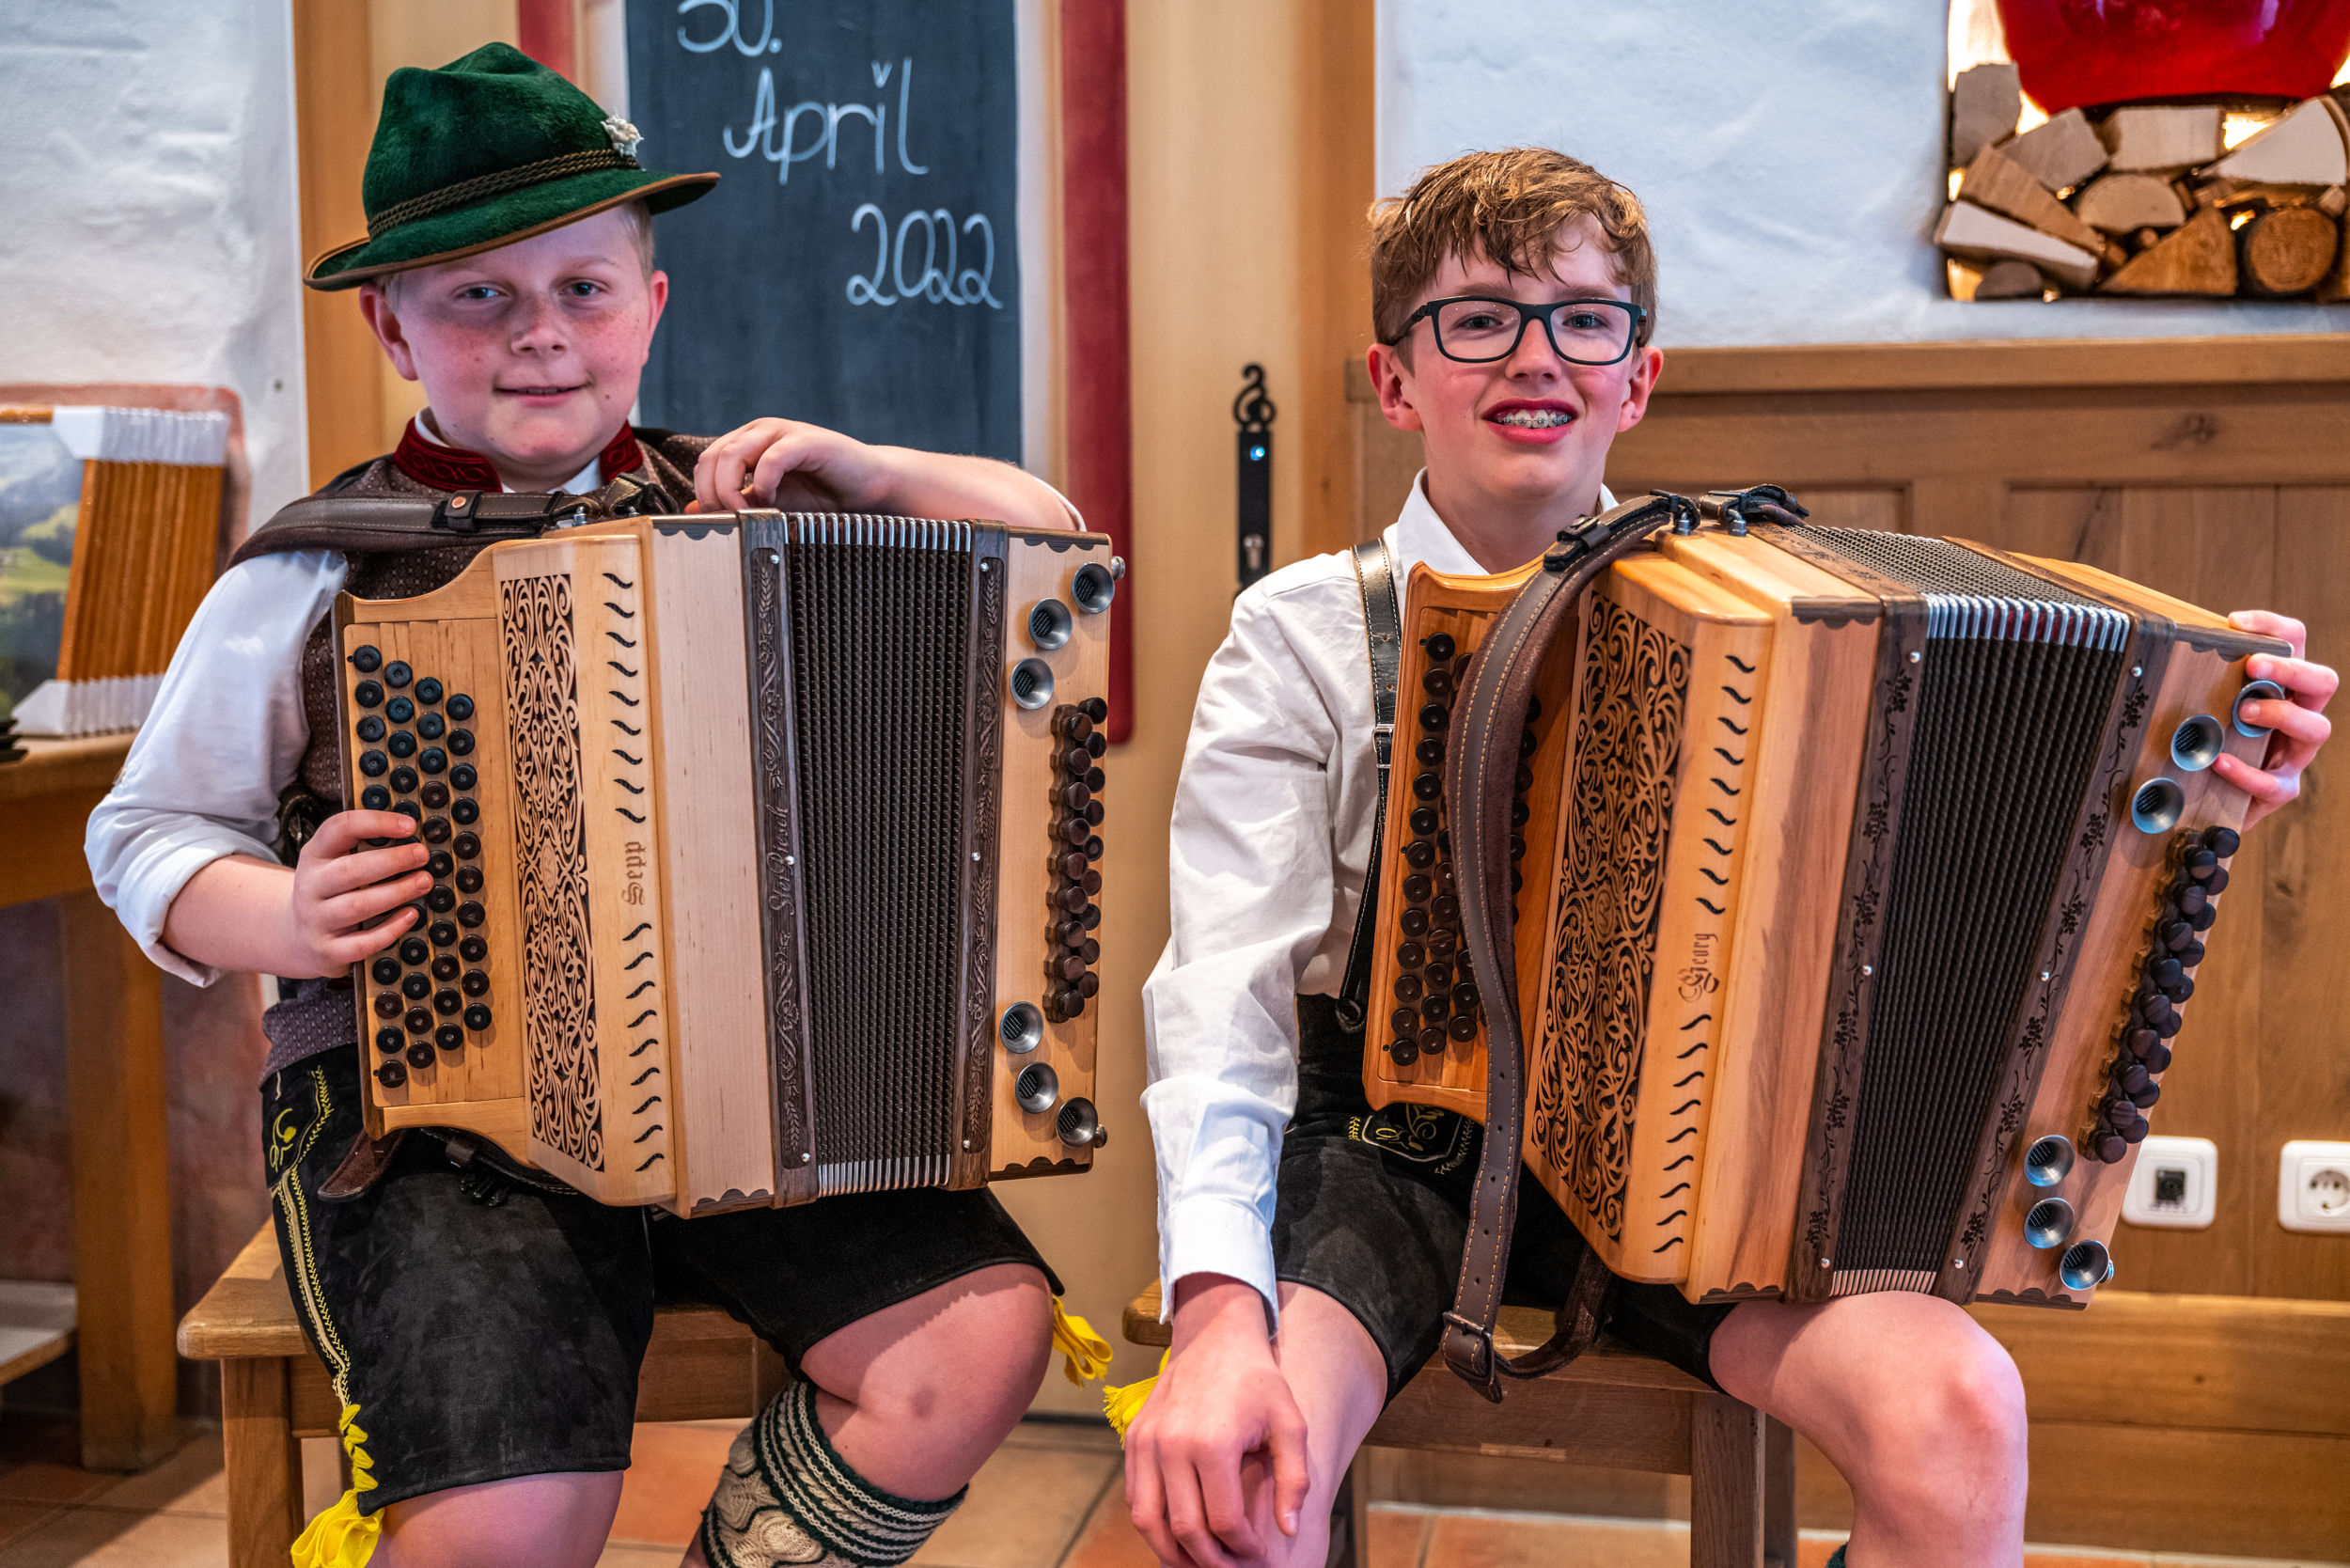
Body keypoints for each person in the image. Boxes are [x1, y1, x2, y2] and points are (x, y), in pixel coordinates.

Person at [1121, 146, 2337, 1568]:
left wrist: (2188, 776)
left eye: (1584, 319)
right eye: (1479, 319)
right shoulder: (1300, 633)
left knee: (1960, 1412)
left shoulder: (1775, 620)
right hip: (1387, 1147)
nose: (1536, 355)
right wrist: (1217, 1316)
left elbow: (1954, 884)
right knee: (1247, 1494)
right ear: (1396, 382)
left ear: (1637, 378)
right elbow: (1223, 992)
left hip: (1688, 1161)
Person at [86, 43, 1099, 1568]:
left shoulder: (739, 504)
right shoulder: (317, 567)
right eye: (477, 295)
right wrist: (283, 914)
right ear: (391, 325)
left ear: (652, 305)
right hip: (426, 1113)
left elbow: (1053, 538)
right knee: (511, 1518)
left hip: (755, 1087)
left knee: (975, 1344)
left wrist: (874, 468)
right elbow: (144, 832)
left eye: (583, 288)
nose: (541, 332)